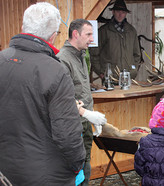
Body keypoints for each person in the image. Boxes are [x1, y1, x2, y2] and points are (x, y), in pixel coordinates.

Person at [0, 2, 86, 185]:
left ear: (23, 28)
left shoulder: (2, 60)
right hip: (46, 174)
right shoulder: (55, 71)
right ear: (53, 36)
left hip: (6, 169)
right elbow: (67, 134)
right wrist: (78, 163)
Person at [57, 19, 106, 186]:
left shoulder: (82, 55)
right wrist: (87, 114)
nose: (92, 39)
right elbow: (62, 98)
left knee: (85, 163)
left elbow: (82, 90)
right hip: (72, 127)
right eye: (89, 34)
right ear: (75, 34)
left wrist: (90, 117)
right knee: (77, 171)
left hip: (84, 124)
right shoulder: (62, 59)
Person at [89, 0, 141, 81]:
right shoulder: (104, 31)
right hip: (110, 77)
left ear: (126, 13)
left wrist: (133, 70)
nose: (120, 14)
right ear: (113, 12)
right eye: (118, 11)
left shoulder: (131, 31)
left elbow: (137, 54)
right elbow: (94, 54)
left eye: (123, 12)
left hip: (128, 77)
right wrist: (101, 72)